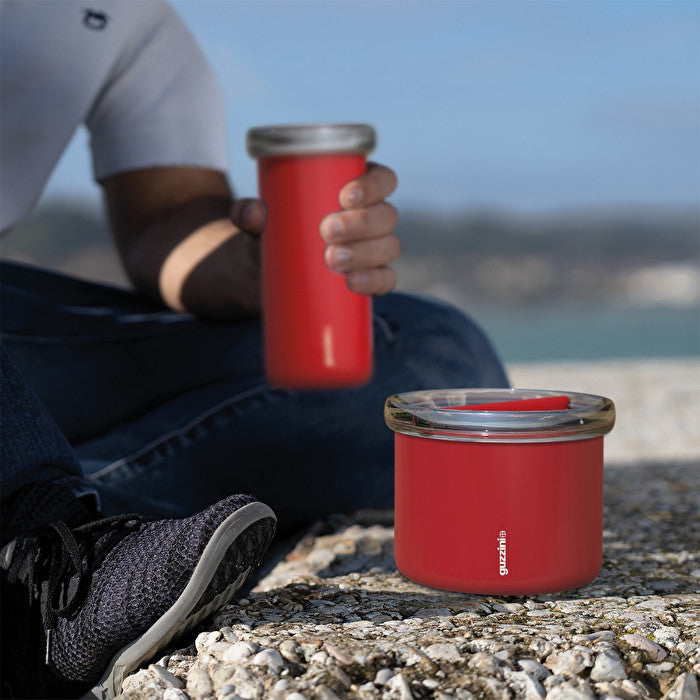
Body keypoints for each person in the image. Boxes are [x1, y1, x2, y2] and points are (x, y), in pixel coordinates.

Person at [0, 1, 508, 696]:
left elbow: (169, 221)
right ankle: (36, 551)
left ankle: (59, 528)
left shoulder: (134, 25)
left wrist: (257, 267)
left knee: (425, 361)